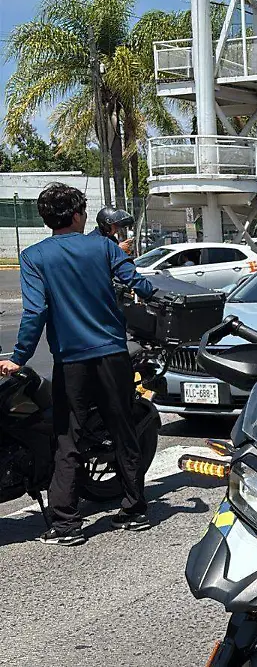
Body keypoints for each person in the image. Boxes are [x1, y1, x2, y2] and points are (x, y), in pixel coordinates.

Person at [0, 184, 156, 546]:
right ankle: (135, 511)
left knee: (67, 437)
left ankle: (67, 523)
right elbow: (135, 282)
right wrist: (160, 293)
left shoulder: (34, 256)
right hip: (113, 356)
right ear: (76, 215)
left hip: (71, 362)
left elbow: (36, 311)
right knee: (123, 430)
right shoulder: (103, 247)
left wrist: (18, 358)